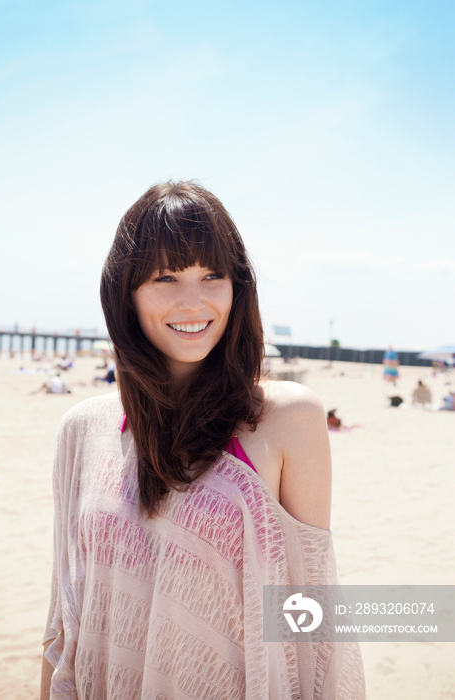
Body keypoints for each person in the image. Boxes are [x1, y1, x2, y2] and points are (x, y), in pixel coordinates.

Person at [40, 181, 365, 699]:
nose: (193, 302)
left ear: (239, 288)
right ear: (125, 292)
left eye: (212, 275)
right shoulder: (84, 430)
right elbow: (66, 619)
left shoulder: (286, 419)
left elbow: (309, 618)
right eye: (165, 277)